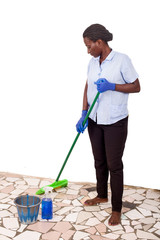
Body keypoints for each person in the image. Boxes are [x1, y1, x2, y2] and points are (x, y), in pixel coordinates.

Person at [76, 24, 140, 226]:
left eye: (89, 46)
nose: (88, 51)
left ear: (99, 42)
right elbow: (88, 84)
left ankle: (116, 209)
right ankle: (101, 195)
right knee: (99, 161)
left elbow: (136, 86)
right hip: (95, 119)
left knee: (115, 165)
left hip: (115, 121)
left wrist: (112, 86)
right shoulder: (93, 62)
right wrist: (84, 112)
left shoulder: (122, 60)